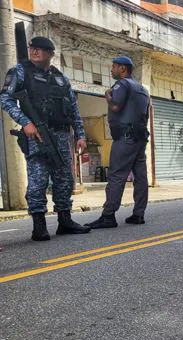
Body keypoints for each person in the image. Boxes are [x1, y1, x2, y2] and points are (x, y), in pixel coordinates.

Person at [0, 36, 90, 241]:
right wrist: (25, 122)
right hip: (37, 135)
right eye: (32, 48)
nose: (34, 51)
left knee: (64, 179)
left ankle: (65, 221)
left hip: (61, 135)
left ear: (50, 54)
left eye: (40, 49)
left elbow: (74, 109)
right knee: (38, 181)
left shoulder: (60, 78)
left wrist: (81, 135)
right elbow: (5, 98)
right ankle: (38, 225)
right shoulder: (20, 71)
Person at [86, 56, 150, 229]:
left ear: (123, 69)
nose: (112, 70)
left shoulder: (122, 84)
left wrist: (107, 94)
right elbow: (146, 115)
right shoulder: (143, 90)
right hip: (139, 138)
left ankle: (108, 216)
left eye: (114, 67)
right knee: (141, 176)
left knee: (116, 175)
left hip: (125, 138)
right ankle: (138, 214)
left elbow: (115, 107)